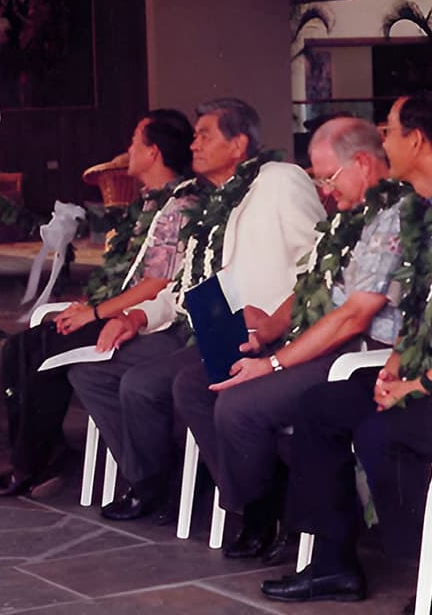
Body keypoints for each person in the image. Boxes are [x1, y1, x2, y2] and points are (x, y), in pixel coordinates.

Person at [69, 98, 324, 522]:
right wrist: (135, 317)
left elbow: (319, 262)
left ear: (239, 144)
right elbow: (189, 286)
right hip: (212, 329)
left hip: (265, 335)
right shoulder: (212, 202)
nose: (194, 143)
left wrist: (279, 319)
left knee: (152, 384)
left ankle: (251, 505)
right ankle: (160, 486)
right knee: (92, 370)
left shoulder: (279, 180)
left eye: (205, 134)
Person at [174, 116, 412, 565]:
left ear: (361, 163)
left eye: (327, 177)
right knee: (196, 383)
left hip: (354, 355)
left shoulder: (392, 216)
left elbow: (352, 318)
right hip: (316, 340)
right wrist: (269, 327)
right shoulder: (349, 217)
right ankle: (254, 499)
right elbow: (315, 285)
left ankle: (266, 512)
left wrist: (274, 362)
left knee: (238, 405)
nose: (323, 190)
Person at [261, 93, 432, 605]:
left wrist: (416, 385)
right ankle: (334, 565)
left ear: (417, 140)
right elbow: (418, 308)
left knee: (385, 432)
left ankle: (424, 574)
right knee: (322, 408)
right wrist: (397, 366)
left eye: (390, 131)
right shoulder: (421, 215)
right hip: (416, 367)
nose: (383, 140)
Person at [0, 110, 200, 497]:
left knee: (45, 351)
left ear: (154, 152)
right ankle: (41, 452)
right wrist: (90, 304)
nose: (126, 149)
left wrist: (94, 313)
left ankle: (29, 464)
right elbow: (126, 274)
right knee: (18, 349)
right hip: (124, 308)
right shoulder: (149, 203)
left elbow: (157, 283)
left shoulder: (180, 206)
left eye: (134, 141)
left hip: (154, 321)